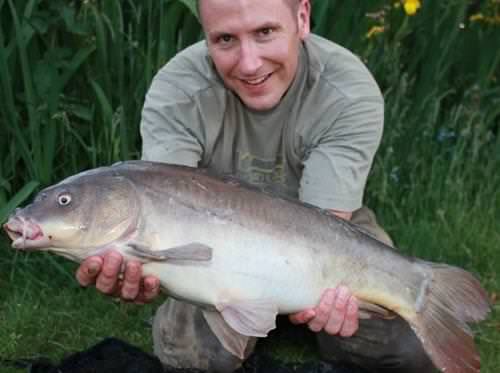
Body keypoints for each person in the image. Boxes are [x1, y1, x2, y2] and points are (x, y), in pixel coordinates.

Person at [76, 0, 434, 372]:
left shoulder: (347, 89)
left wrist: (321, 294)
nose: (249, 64)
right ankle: (266, 318)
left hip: (323, 233)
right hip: (214, 241)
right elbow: (164, 220)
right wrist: (139, 261)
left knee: (408, 351)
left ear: (302, 18)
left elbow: (327, 230)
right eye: (226, 39)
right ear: (206, 36)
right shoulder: (178, 89)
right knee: (192, 357)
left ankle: (309, 316)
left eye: (265, 33)